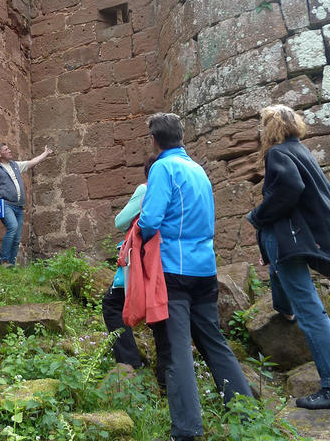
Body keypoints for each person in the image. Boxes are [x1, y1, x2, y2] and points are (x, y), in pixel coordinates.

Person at [138, 113, 253, 441]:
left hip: (174, 270)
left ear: (154, 139)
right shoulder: (199, 170)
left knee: (176, 352)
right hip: (206, 269)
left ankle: (186, 431)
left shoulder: (163, 167)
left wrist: (140, 242)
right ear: (181, 136)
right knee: (214, 343)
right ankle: (246, 414)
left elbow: (150, 220)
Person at [246, 104, 330, 409]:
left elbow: (290, 189)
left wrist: (258, 215)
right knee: (281, 276)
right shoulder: (303, 151)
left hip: (288, 240)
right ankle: (286, 310)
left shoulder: (277, 153)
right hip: (296, 240)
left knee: (312, 311)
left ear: (269, 129)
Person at [102, 155, 170, 388]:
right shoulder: (179, 186)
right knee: (162, 320)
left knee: (112, 304)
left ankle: (130, 362)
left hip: (143, 261)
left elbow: (121, 221)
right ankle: (165, 381)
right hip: (170, 262)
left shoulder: (146, 189)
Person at [0, 142, 52, 265]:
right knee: (13, 227)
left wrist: (45, 153)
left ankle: (11, 264)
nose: (10, 150)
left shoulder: (15, 165)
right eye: (6, 149)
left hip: (18, 206)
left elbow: (32, 162)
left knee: (17, 238)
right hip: (5, 204)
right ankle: (4, 260)